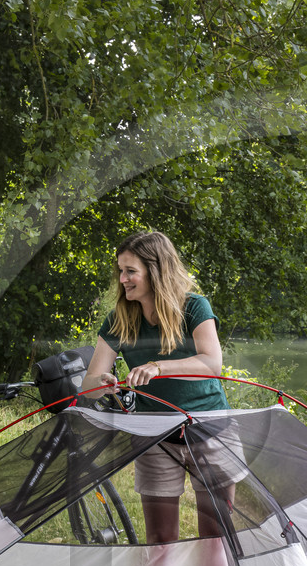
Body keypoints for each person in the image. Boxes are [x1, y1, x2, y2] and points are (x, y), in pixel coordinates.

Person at [82, 231, 239, 543]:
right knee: (159, 537)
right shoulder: (119, 319)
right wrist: (103, 384)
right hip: (156, 436)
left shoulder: (194, 307)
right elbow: (88, 384)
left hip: (210, 430)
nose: (122, 279)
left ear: (155, 272)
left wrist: (158, 367)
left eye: (131, 271)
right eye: (120, 270)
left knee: (216, 533)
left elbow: (212, 364)